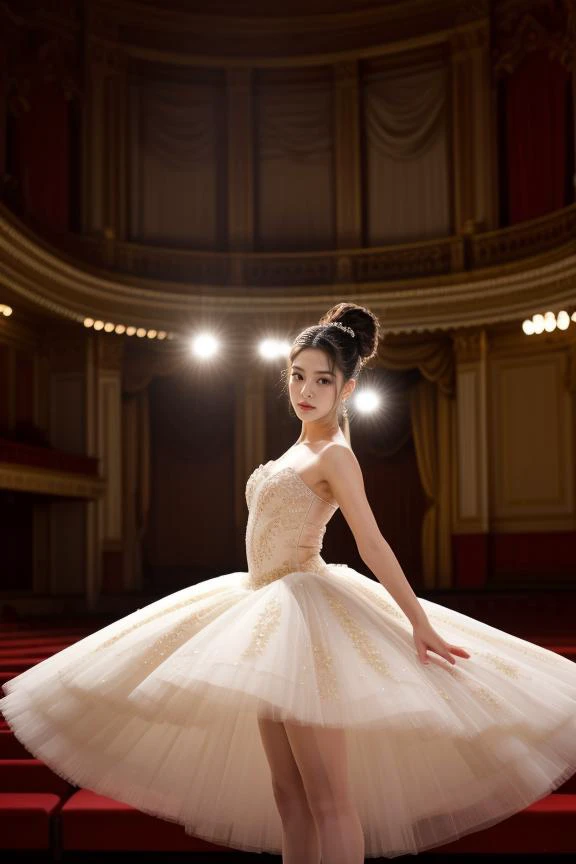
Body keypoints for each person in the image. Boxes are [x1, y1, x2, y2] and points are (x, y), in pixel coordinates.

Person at [1, 301, 576, 864]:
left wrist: (418, 622)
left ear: (346, 389)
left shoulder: (335, 455)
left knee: (329, 799)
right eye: (298, 375)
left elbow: (373, 544)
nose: (306, 390)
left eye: (322, 381)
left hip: (304, 617)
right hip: (259, 607)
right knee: (288, 796)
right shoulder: (297, 447)